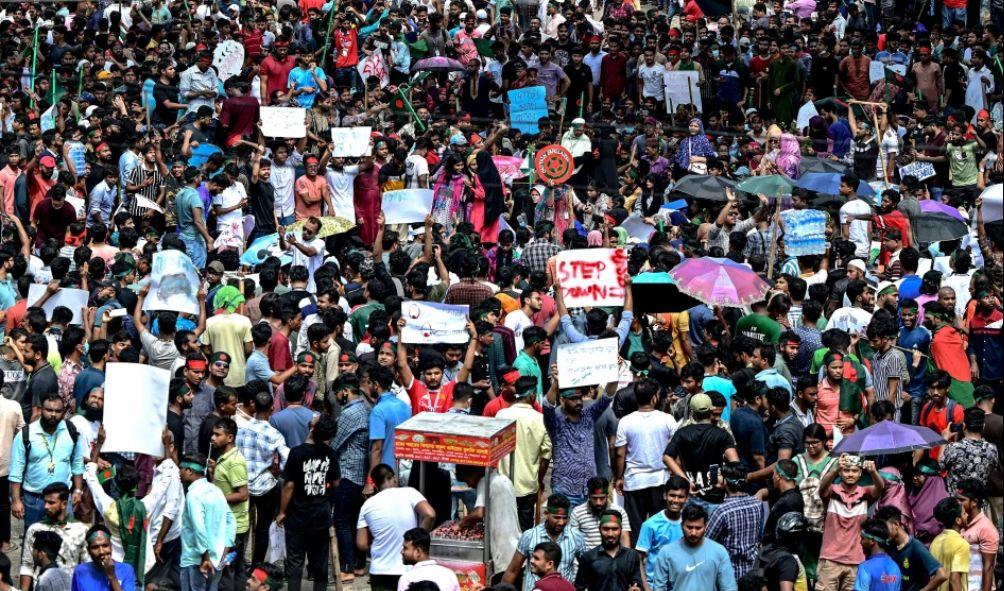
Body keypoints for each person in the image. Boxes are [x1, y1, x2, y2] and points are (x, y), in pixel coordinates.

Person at [277, 414, 338, 591]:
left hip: (297, 517)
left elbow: (289, 486)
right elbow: (335, 483)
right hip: (321, 516)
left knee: (295, 564)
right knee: (320, 564)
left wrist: (282, 512)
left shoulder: (297, 452)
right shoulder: (330, 454)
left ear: (312, 429)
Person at [356, 464, 436, 591]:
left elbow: (361, 544)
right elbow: (430, 515)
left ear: (376, 485)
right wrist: (417, 540)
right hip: (409, 567)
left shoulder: (367, 505)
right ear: (394, 478)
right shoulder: (409, 492)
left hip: (380, 571)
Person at [817, 454, 885, 591]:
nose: (850, 474)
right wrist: (835, 469)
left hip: (856, 560)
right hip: (830, 560)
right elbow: (822, 488)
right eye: (846, 470)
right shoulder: (832, 491)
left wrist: (873, 471)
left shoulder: (865, 493)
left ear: (860, 473)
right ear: (841, 473)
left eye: (854, 471)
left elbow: (880, 488)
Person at [502, 494, 585, 591]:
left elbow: (586, 567)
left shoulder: (576, 537)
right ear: (546, 514)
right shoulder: (530, 536)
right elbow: (513, 570)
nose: (561, 522)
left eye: (565, 518)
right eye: (557, 517)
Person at [178, 455, 236, 591]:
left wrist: (205, 558)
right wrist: (225, 550)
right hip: (217, 560)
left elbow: (199, 528)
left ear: (189, 471)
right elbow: (231, 521)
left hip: (196, 561)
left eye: (181, 469)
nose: (179, 473)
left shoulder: (193, 495)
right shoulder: (216, 490)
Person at [647, 504, 738, 591]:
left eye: (698, 528)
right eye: (689, 527)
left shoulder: (719, 551)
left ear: (705, 527)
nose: (693, 533)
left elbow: (728, 587)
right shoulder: (666, 552)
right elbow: (659, 587)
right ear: (682, 525)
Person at [20, 483, 88, 591]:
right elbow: (27, 565)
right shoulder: (35, 529)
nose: (46, 506)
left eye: (51, 503)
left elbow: (86, 568)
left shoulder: (81, 530)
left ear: (64, 504)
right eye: (45, 502)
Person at [875, 506, 947, 591]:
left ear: (896, 524)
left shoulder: (915, 546)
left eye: (884, 528)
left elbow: (942, 575)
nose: (882, 531)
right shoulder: (890, 546)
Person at [574, 510, 644, 591]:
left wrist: (637, 588)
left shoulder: (631, 555)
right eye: (606, 529)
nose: (610, 534)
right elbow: (579, 587)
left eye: (615, 529)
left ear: (621, 530)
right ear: (599, 529)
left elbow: (637, 582)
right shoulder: (588, 557)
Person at [70, 525, 137, 591]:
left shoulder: (126, 570)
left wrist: (112, 577)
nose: (101, 552)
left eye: (105, 546)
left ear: (111, 547)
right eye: (95, 547)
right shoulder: (80, 571)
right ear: (88, 550)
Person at [395, 528, 460, 591]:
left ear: (418, 551)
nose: (402, 552)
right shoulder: (449, 574)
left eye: (405, 548)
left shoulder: (406, 579)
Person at [928, 498, 970, 591]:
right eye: (964, 513)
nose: (967, 514)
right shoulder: (962, 544)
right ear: (958, 520)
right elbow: (954, 580)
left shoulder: (935, 541)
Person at [855, 518, 902, 591]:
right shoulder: (895, 567)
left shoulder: (865, 568)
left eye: (863, 538)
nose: (860, 542)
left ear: (872, 541)